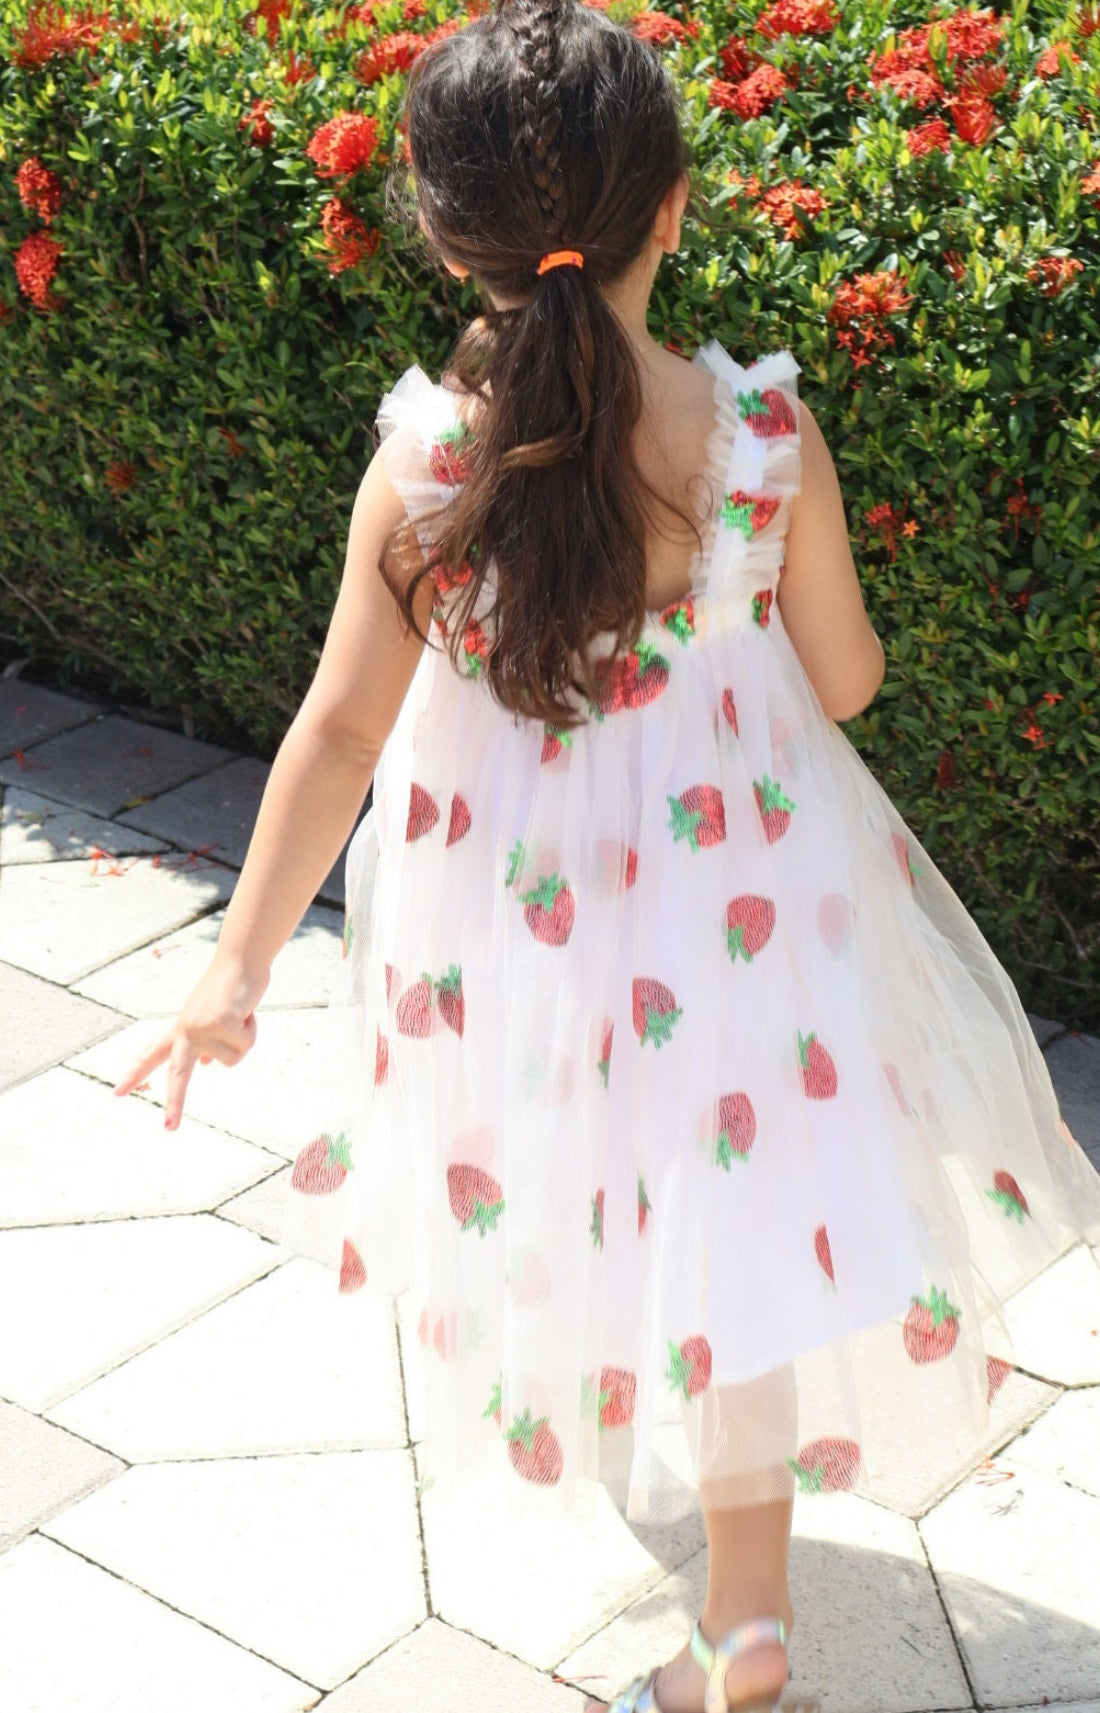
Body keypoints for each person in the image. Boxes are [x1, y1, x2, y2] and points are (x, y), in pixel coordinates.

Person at [114, 3, 1100, 1709]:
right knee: (740, 1196)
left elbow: (339, 735)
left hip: (526, 917)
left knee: (589, 1159)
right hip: (745, 903)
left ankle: (652, 1452)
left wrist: (234, 967)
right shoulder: (760, 440)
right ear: (676, 209)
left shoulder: (424, 469)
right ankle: (748, 1618)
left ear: (440, 234)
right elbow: (849, 679)